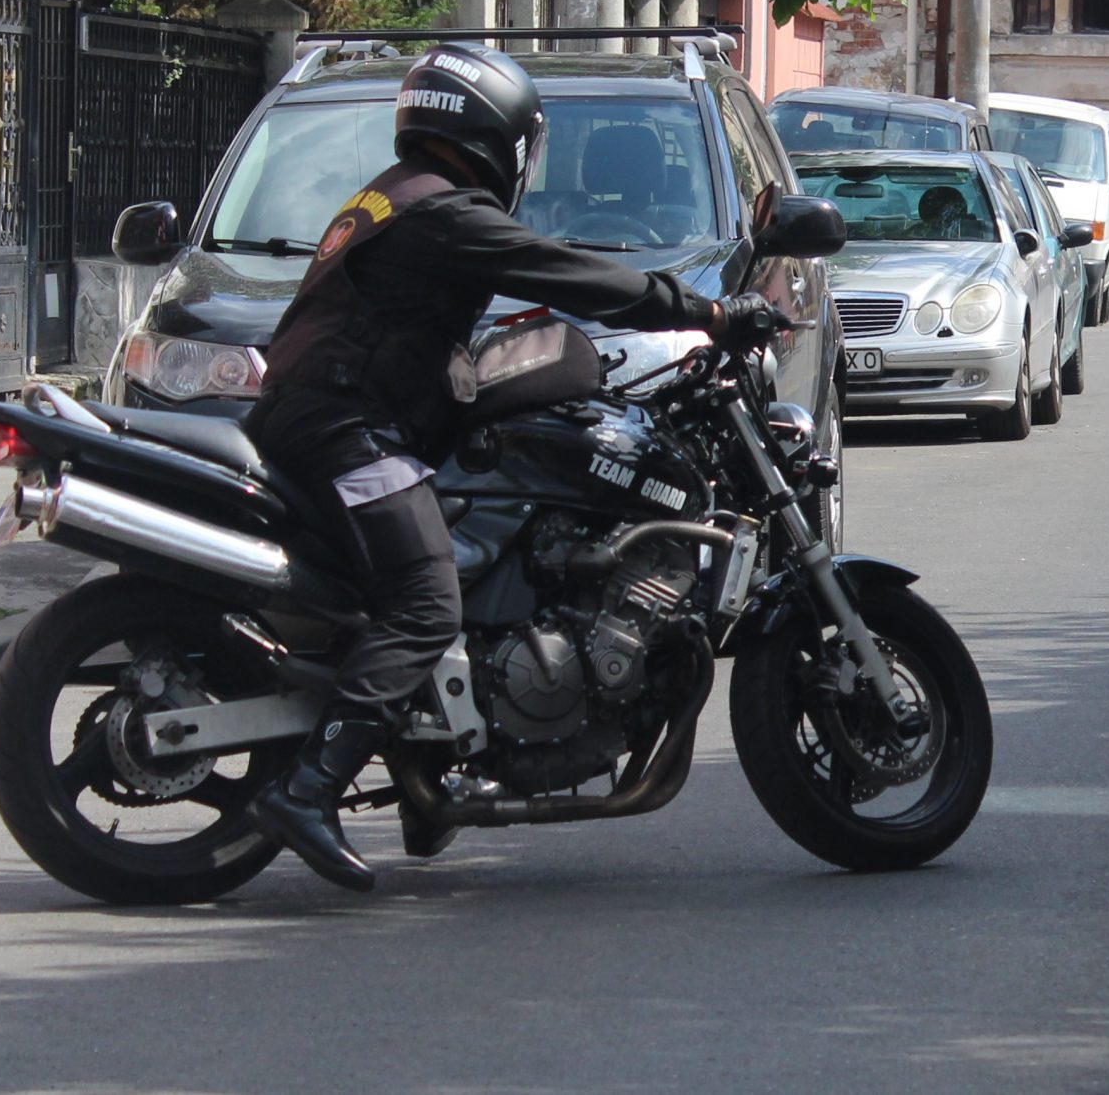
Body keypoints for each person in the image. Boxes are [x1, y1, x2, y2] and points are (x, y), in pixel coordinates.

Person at [242, 45, 773, 892]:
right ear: (501, 136)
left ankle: (431, 777)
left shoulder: (397, 192)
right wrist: (703, 310)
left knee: (457, 564)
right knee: (426, 600)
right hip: (345, 429)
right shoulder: (445, 212)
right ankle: (307, 789)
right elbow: (567, 272)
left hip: (332, 413)